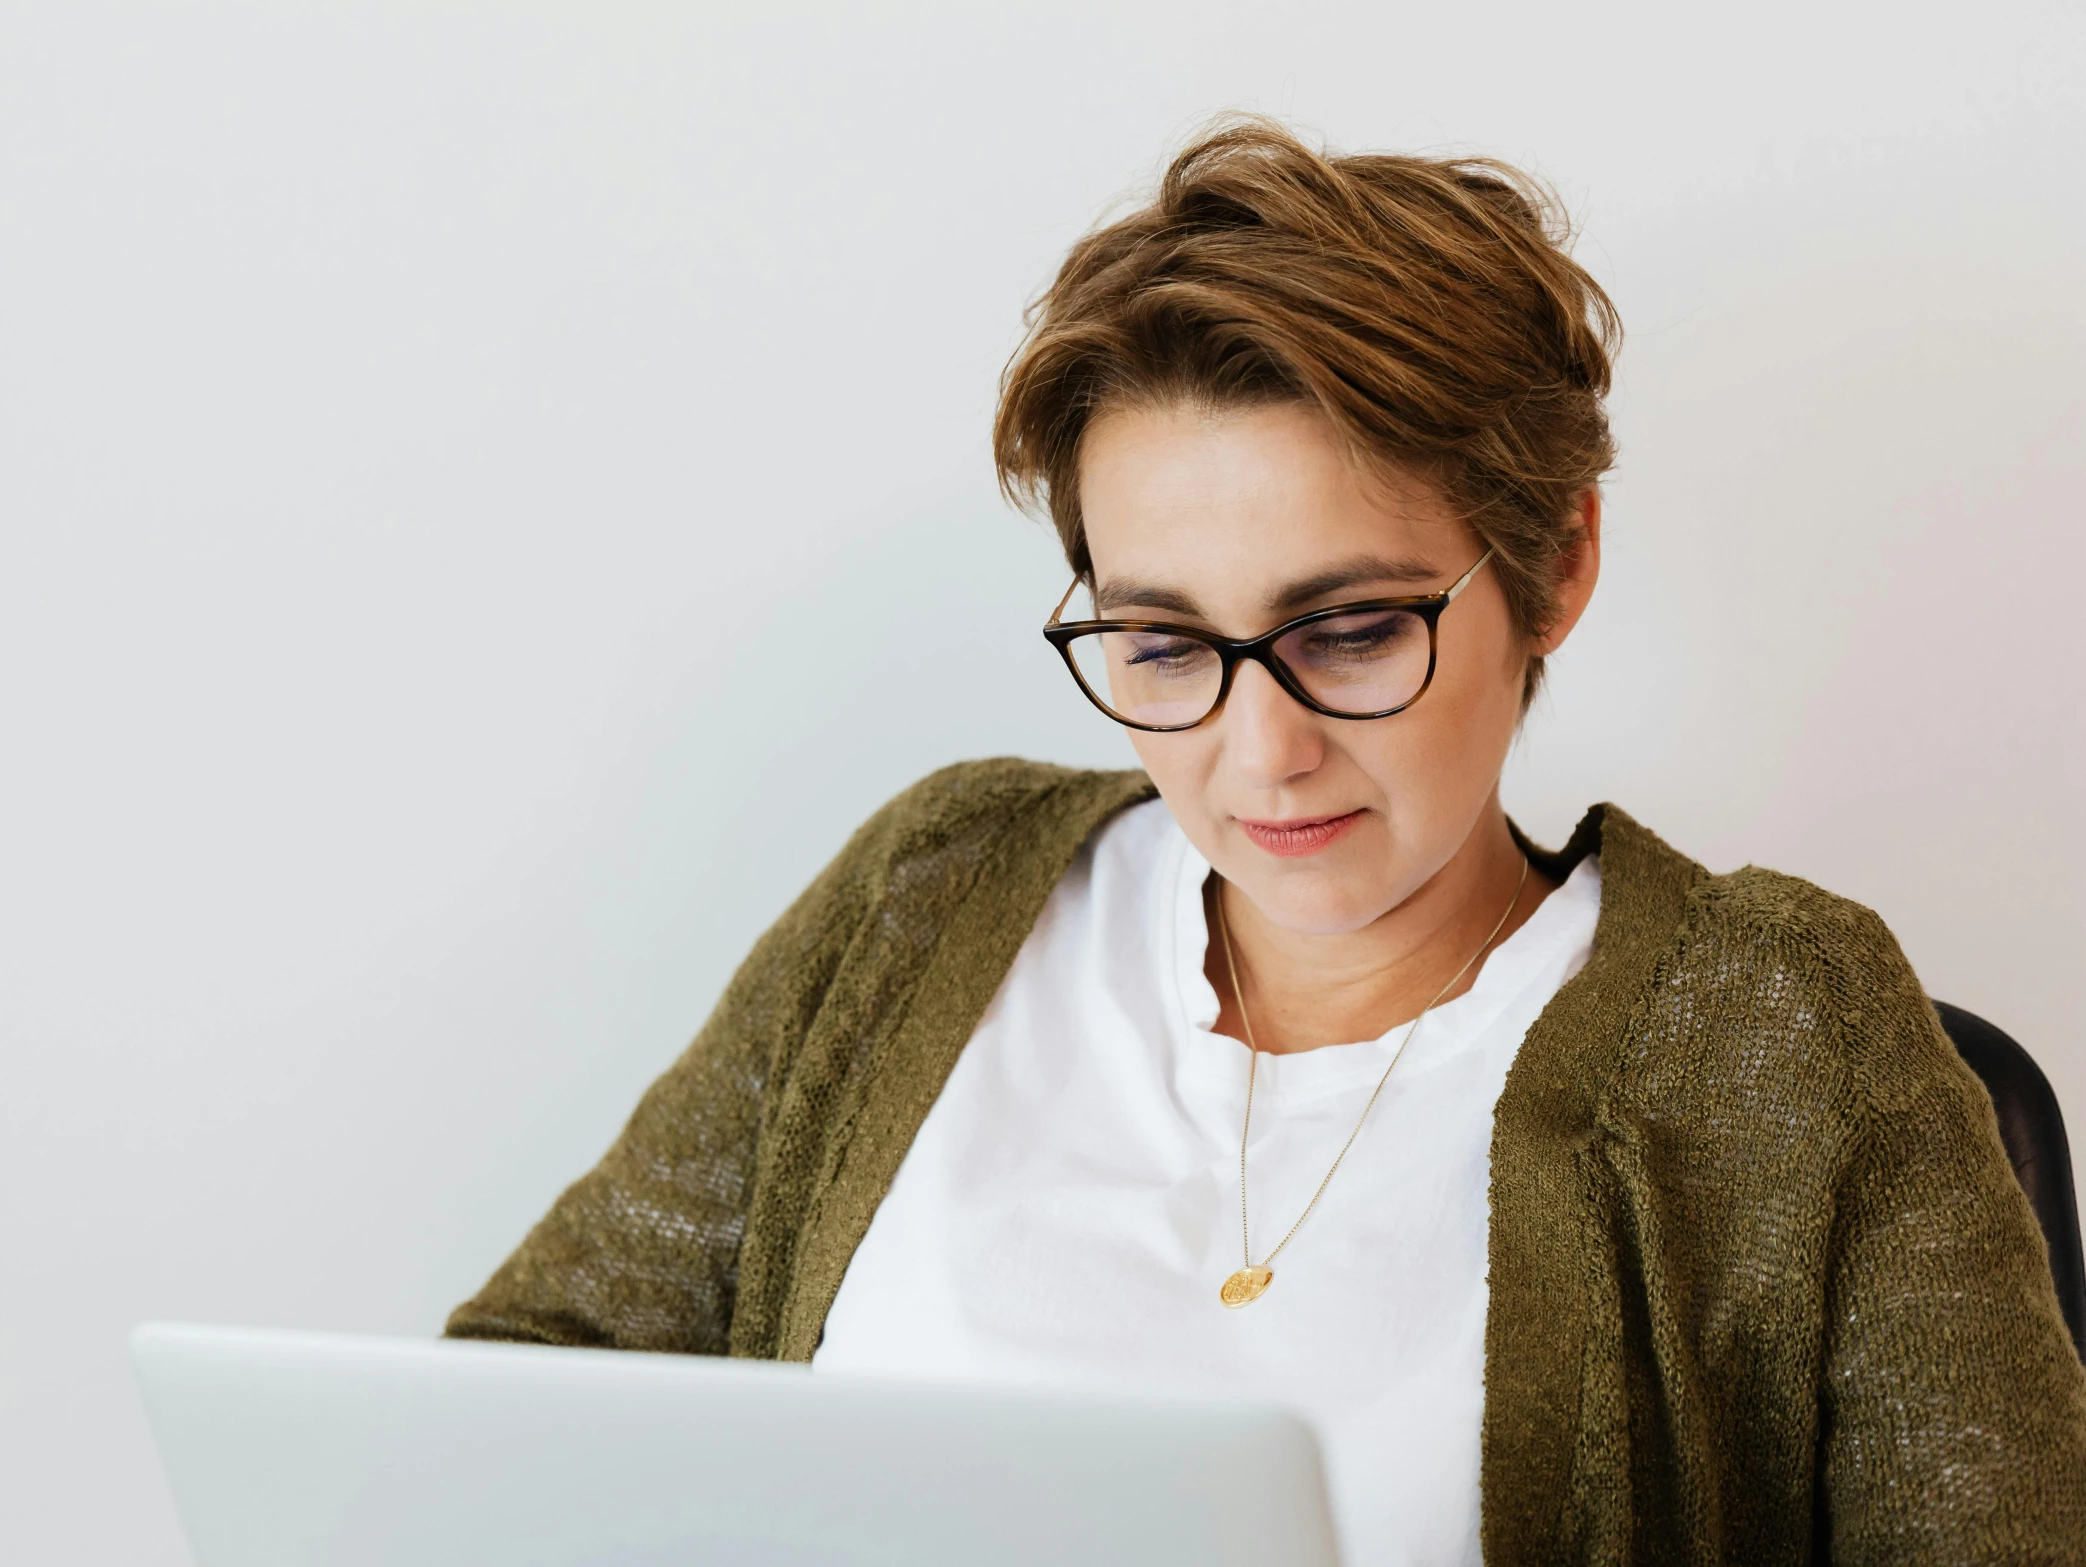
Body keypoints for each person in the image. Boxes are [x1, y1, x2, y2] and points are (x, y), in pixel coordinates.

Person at [447, 116, 2086, 1562]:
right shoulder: (927, 891)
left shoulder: (1791, 1034)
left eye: (1352, 630)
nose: (1258, 752)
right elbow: (518, 1397)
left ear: (1555, 564)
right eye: (1162, 646)